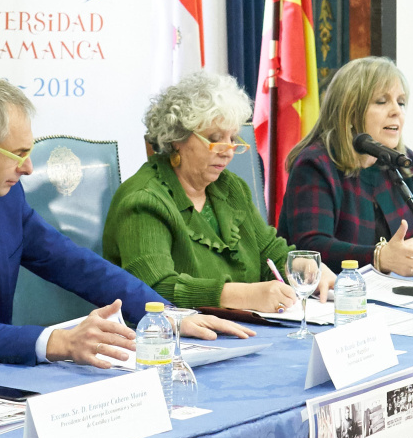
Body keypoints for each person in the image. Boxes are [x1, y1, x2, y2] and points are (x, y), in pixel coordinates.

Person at [0, 73, 248, 372]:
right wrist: (59, 342)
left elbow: (73, 263)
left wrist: (164, 314)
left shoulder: (2, 200)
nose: (27, 168)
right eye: (18, 154)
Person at [104, 72, 331, 311]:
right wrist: (244, 296)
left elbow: (269, 252)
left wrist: (306, 268)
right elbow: (153, 289)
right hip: (174, 340)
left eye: (232, 138)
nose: (228, 151)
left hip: (241, 330)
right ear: (177, 138)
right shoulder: (143, 200)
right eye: (214, 139)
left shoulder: (230, 187)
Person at [278, 57, 413, 276]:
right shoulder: (315, 166)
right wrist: (380, 257)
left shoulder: (403, 162)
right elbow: (311, 248)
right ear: (350, 111)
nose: (396, 111)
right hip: (334, 299)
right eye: (381, 101)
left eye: (401, 102)